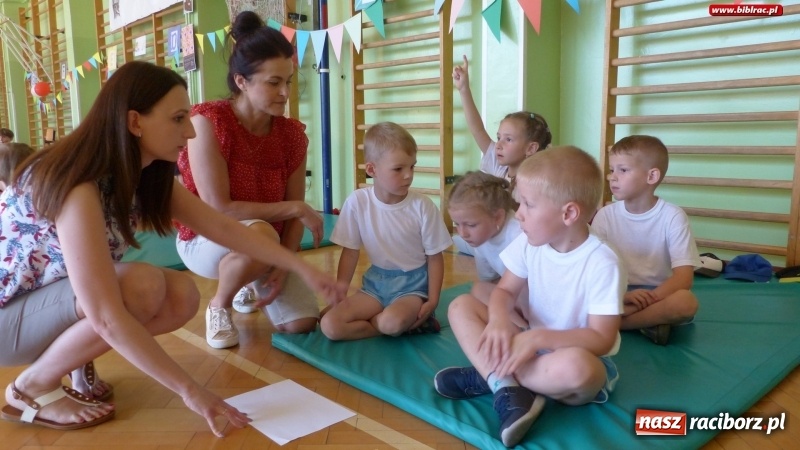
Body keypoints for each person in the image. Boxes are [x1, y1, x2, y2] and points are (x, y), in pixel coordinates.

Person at [0, 60, 344, 435]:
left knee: (181, 295)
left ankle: (67, 359)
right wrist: (191, 391)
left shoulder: (144, 174)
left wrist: (301, 267)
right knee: (138, 287)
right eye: (179, 119)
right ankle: (30, 387)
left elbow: (223, 228)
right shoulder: (78, 186)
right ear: (135, 122)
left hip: (46, 302)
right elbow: (106, 316)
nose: (191, 133)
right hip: (9, 321)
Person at [433, 146, 625, 448]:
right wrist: (497, 319)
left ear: (569, 213)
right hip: (528, 346)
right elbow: (505, 291)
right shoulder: (529, 243)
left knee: (578, 368)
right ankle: (508, 387)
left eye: (528, 205)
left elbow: (601, 338)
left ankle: (495, 379)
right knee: (461, 306)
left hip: (573, 357)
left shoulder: (602, 261)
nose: (518, 214)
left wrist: (538, 340)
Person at [176, 11, 325, 349]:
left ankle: (247, 275)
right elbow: (220, 209)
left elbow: (292, 218)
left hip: (264, 244)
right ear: (241, 81)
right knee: (258, 231)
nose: (285, 92)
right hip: (205, 238)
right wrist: (296, 208)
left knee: (301, 324)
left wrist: (283, 266)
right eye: (274, 82)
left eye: (288, 81)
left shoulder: (291, 136)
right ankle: (219, 305)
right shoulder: (209, 123)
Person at [320, 122, 453, 341]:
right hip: (375, 285)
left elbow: (435, 257)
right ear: (372, 170)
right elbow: (350, 251)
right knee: (330, 325)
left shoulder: (423, 206)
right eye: (398, 169)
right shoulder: (357, 202)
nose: (408, 175)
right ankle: (382, 324)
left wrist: (433, 300)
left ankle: (392, 323)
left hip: (413, 287)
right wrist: (341, 292)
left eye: (412, 166)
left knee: (390, 323)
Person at [591, 135, 699, 345]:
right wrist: (621, 299)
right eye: (612, 170)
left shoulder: (673, 216)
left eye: (622, 170)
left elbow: (684, 278)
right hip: (616, 294)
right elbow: (592, 267)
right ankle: (647, 324)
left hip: (658, 294)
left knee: (686, 303)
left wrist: (645, 302)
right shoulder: (605, 215)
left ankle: (618, 324)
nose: (612, 177)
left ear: (651, 176)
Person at [451, 55, 552, 254]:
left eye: (508, 139)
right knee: (458, 240)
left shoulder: (537, 180)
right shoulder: (498, 167)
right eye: (499, 137)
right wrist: (464, 89)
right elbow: (477, 130)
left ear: (531, 148)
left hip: (522, 242)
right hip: (496, 237)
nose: (499, 144)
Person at [446, 171, 524, 312]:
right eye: (457, 224)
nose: (462, 233)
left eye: (471, 225)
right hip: (514, 297)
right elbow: (489, 280)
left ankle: (519, 327)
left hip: (534, 297)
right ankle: (517, 326)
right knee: (479, 289)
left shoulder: (519, 235)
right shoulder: (482, 238)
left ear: (498, 217)